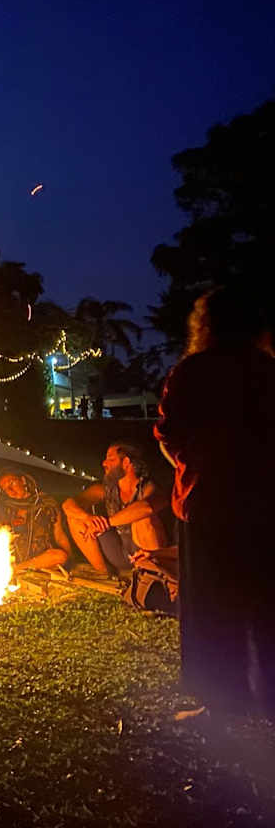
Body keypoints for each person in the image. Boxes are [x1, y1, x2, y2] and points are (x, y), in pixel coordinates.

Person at [155, 286, 275, 716]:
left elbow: (169, 436)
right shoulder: (266, 370)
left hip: (208, 504)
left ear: (205, 325)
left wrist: (191, 466)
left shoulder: (192, 373)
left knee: (211, 604)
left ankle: (223, 702)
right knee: (263, 602)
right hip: (263, 504)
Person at [60, 443, 167, 576]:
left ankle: (154, 575)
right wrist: (88, 518)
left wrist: (107, 523)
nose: (104, 463)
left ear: (126, 462)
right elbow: (68, 505)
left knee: (143, 520)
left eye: (111, 459)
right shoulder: (106, 489)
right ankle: (105, 574)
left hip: (144, 551)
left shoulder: (148, 487)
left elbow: (147, 507)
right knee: (75, 518)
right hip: (118, 551)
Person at [0, 470, 72, 573]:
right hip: (14, 558)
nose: (11, 490)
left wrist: (70, 560)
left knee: (60, 557)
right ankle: (15, 569)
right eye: (5, 489)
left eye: (12, 483)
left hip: (40, 559)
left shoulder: (47, 504)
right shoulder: (6, 509)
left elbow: (60, 535)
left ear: (23, 480)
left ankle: (16, 570)